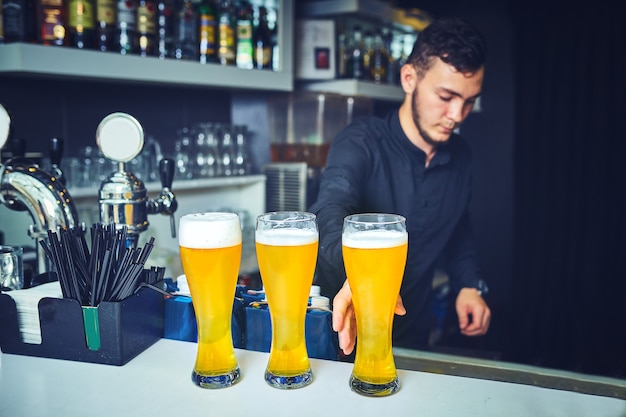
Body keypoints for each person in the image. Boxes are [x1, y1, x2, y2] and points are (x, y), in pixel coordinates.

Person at [308, 17, 492, 356]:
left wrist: (469, 283)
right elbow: (329, 209)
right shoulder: (361, 141)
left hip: (410, 341)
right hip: (341, 337)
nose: (457, 115)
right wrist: (358, 275)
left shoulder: (461, 156)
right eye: (446, 96)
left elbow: (456, 224)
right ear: (410, 79)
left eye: (469, 101)